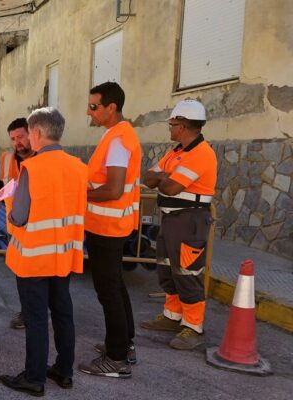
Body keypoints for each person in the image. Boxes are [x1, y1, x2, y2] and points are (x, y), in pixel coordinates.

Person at [0, 107, 87, 397]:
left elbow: (19, 217)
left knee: (36, 318)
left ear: (36, 133)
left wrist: (9, 202)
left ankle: (34, 378)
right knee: (63, 314)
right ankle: (64, 371)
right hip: (64, 255)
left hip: (34, 258)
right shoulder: (78, 167)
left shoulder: (32, 169)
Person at [140, 99, 216, 350]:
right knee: (168, 268)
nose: (170, 128)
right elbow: (148, 177)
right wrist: (164, 176)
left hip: (190, 220)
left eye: (172, 124)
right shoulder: (176, 152)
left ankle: (193, 327)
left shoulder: (201, 153)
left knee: (187, 272)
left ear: (182, 125)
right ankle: (173, 317)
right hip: (172, 218)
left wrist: (162, 177)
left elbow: (171, 187)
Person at [78, 81, 142, 379]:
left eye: (94, 107)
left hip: (107, 226)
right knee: (114, 286)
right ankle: (123, 343)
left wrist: (79, 196)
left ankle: (116, 358)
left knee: (108, 291)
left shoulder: (118, 140)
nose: (89, 112)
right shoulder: (117, 136)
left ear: (111, 108)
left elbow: (113, 189)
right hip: (110, 224)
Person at [0, 117, 37, 330]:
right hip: (16, 231)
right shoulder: (6, 159)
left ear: (32, 134)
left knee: (41, 278)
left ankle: (37, 312)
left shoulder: (44, 159)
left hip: (41, 230)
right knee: (21, 274)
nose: (17, 142)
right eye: (13, 139)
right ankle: (26, 311)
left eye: (21, 137)